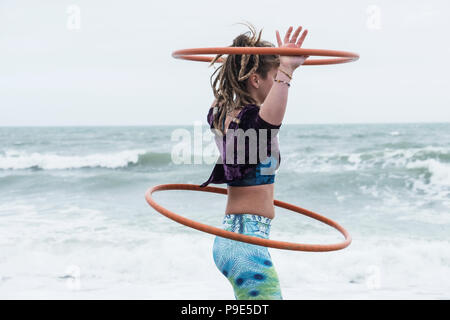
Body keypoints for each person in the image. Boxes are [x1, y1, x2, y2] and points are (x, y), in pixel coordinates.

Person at [199, 22, 309, 300]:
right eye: (273, 77)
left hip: (231, 239)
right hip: (247, 243)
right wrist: (286, 70)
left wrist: (242, 61)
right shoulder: (254, 124)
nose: (279, 83)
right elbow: (273, 115)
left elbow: (231, 89)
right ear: (256, 80)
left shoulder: (220, 113)